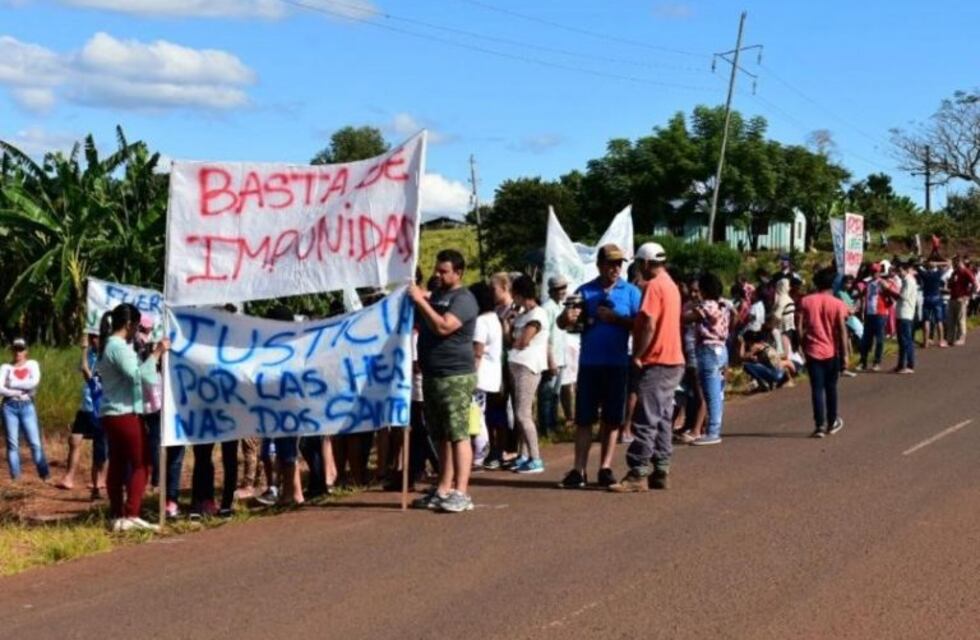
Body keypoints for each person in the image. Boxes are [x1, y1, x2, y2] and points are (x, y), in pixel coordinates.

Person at [557, 244, 641, 489]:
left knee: (612, 418)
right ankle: (579, 469)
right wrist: (566, 318)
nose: (615, 268)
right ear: (600, 265)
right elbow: (565, 322)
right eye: (611, 263)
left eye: (619, 264)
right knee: (584, 419)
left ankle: (605, 467)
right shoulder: (585, 291)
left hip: (617, 363)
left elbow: (641, 324)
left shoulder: (631, 292)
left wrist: (617, 319)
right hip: (590, 363)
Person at [608, 242, 684, 492]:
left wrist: (639, 354)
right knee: (662, 417)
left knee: (647, 416)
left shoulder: (653, 286)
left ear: (647, 263)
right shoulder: (671, 285)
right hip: (673, 360)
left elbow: (649, 324)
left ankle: (638, 472)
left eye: (640, 264)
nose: (638, 269)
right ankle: (661, 468)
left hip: (658, 359)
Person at [410, 249, 480, 513]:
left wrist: (421, 300)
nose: (438, 275)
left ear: (458, 272)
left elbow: (443, 326)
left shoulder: (464, 299)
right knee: (440, 434)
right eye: (437, 270)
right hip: (432, 374)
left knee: (458, 433)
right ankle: (443, 487)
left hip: (455, 376)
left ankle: (461, 492)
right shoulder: (437, 296)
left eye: (444, 271)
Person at [95, 304, 168, 531]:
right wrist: (157, 353)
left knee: (117, 463)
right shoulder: (118, 347)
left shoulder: (109, 346)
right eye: (136, 326)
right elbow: (138, 376)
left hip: (112, 413)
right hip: (124, 413)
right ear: (129, 324)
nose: (137, 331)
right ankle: (132, 513)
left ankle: (117, 514)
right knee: (141, 463)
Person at [798, 267, 850, 438]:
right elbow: (842, 331)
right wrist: (845, 355)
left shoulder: (806, 301)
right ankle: (832, 420)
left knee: (816, 389)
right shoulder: (837, 304)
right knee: (831, 388)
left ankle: (819, 424)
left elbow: (799, 328)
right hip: (831, 351)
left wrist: (802, 345)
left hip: (812, 351)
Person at [506, 275, 549, 474]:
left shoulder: (538, 314)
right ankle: (524, 455)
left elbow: (523, 341)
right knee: (521, 413)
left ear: (521, 294)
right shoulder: (524, 314)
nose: (512, 298)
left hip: (528, 366)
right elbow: (511, 339)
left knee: (523, 414)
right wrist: (509, 322)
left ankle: (535, 458)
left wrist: (514, 341)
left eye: (514, 294)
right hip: (517, 365)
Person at [56, 333, 107, 498]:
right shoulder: (91, 354)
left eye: (97, 337)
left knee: (100, 448)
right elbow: (83, 369)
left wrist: (84, 349)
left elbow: (87, 372)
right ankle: (69, 477)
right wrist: (85, 351)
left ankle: (99, 481)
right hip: (85, 406)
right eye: (92, 337)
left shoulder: (109, 357)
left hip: (99, 409)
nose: (93, 340)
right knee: (74, 440)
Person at [687, 273, 730, 446]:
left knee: (710, 392)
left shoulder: (707, 305)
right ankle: (713, 429)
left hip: (708, 349)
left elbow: (689, 318)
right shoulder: (723, 305)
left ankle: (713, 431)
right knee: (717, 392)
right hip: (721, 348)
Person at [1, 337, 49, 482]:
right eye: (16, 349)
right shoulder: (5, 367)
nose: (18, 352)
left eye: (21, 349)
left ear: (26, 351)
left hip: (27, 406)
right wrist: (17, 391)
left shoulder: (32, 364)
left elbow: (34, 382)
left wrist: (11, 383)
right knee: (12, 444)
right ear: (12, 350)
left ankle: (44, 474)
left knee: (35, 443)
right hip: (9, 406)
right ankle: (16, 477)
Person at [470, 281, 502, 468]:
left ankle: (480, 453)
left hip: (480, 375)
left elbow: (478, 351)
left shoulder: (481, 321)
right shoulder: (494, 318)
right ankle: (481, 452)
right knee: (479, 414)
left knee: (476, 415)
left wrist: (472, 374)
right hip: (491, 374)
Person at [537, 275, 568, 436]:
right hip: (551, 358)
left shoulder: (560, 306)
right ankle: (546, 428)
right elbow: (545, 337)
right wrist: (551, 361)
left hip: (561, 356)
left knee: (555, 395)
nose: (562, 291)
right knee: (547, 395)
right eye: (559, 288)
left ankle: (553, 424)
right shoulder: (547, 308)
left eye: (564, 288)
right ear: (552, 290)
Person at [858, 263, 889, 371]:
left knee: (879, 339)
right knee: (866, 339)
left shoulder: (883, 282)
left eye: (876, 272)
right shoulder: (868, 283)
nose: (874, 273)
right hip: (869, 313)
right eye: (872, 271)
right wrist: (862, 311)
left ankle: (877, 362)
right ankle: (863, 362)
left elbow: (890, 291)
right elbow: (863, 297)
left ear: (879, 272)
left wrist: (883, 284)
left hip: (880, 313)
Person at [895, 261, 919, 374]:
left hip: (906, 314)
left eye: (900, 271)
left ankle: (910, 365)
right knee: (901, 341)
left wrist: (889, 290)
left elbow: (903, 296)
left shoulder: (909, 281)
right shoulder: (905, 280)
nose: (899, 273)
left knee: (906, 341)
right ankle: (901, 365)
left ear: (905, 270)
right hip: (901, 313)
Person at [919, 258, 948, 348]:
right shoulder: (938, 273)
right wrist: (937, 263)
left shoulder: (924, 274)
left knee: (926, 320)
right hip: (936, 297)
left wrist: (926, 263)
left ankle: (926, 342)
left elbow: (917, 266)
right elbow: (948, 264)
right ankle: (941, 341)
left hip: (926, 298)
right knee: (939, 320)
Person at [947, 255, 974, 346]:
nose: (954, 264)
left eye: (955, 262)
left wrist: (968, 295)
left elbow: (974, 284)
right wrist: (951, 280)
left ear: (960, 262)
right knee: (951, 319)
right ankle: (950, 338)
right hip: (952, 298)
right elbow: (949, 285)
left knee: (960, 319)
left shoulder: (966, 272)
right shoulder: (955, 272)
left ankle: (961, 338)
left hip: (961, 298)